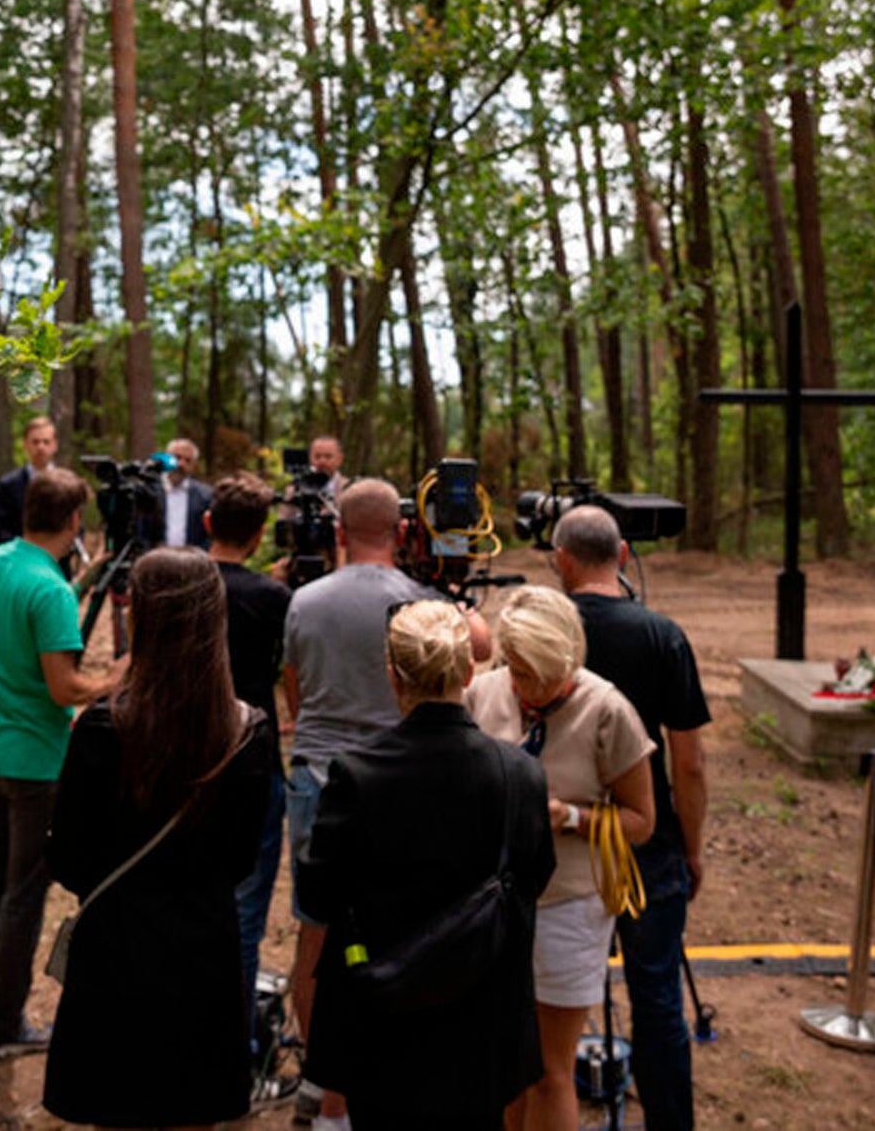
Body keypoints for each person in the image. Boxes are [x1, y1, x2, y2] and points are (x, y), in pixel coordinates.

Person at [279, 478, 490, 1129]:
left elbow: (294, 693)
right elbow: (481, 648)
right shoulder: (421, 603)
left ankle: (324, 1087)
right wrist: (452, 592)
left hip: (318, 778)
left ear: (339, 532)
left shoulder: (304, 601)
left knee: (317, 940)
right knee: (400, 932)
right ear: (402, 532)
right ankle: (385, 1076)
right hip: (401, 782)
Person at [297, 601, 556, 1130]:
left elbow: (319, 896)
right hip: (482, 1018)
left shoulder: (356, 775)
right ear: (468, 673)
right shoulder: (519, 773)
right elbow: (535, 879)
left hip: (384, 1018)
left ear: (392, 675)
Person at [42, 548, 274, 1128]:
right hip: (204, 951)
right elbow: (241, 859)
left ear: (139, 618)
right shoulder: (247, 733)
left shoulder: (102, 728)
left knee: (115, 1110)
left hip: (114, 950)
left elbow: (66, 856)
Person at [0, 468, 123, 1060]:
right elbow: (64, 688)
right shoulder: (50, 591)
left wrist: (86, 579)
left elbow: (35, 607)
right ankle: (4, 1027)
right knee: (23, 896)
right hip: (33, 763)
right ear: (74, 521)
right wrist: (114, 679)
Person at [465, 586, 655, 1131]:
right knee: (504, 1063)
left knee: (549, 1071)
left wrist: (569, 817)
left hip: (568, 904)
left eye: (545, 678)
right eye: (519, 673)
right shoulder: (482, 695)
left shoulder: (607, 709)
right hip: (495, 903)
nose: (529, 689)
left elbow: (641, 823)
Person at [552, 507, 709, 1131]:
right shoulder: (661, 634)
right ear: (621, 556)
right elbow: (689, 761)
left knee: (548, 997)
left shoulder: (547, 632)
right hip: (647, 842)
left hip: (565, 844)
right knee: (657, 997)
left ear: (561, 560)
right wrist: (691, 847)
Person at [208, 474, 295, 1033]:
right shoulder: (273, 598)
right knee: (243, 912)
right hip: (254, 760)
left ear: (207, 522)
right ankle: (233, 1041)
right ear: (260, 534)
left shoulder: (183, 584)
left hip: (187, 754)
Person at [0, 416, 61, 546]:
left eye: (46, 442)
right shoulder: (9, 485)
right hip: (19, 555)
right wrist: (25, 546)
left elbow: (77, 531)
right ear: (26, 444)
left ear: (55, 445)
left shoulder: (67, 484)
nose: (40, 447)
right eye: (35, 442)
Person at [159, 436, 214, 549]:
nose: (181, 464)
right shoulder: (149, 491)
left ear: (194, 466)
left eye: (188, 460)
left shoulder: (205, 496)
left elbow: (209, 534)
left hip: (192, 558)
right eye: (177, 457)